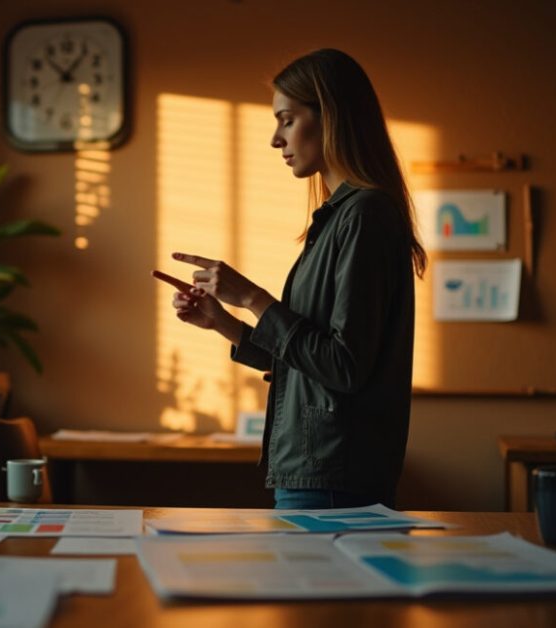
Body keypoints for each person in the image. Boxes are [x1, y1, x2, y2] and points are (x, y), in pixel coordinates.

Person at [153, 49, 427, 509]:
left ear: (331, 117)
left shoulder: (365, 215)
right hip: (318, 471)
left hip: (333, 475)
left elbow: (344, 366)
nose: (275, 139)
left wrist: (252, 297)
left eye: (287, 119)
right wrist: (225, 323)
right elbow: (309, 364)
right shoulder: (340, 218)